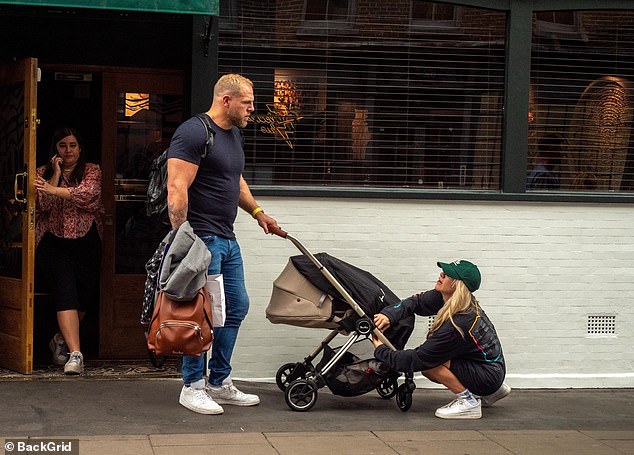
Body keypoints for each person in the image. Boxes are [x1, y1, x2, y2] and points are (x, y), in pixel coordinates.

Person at [167, 73, 280, 415]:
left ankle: (219, 381)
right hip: (202, 239)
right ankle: (193, 386)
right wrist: (184, 239)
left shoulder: (230, 136)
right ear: (226, 100)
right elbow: (176, 187)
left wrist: (258, 212)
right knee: (201, 313)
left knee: (236, 307)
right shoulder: (194, 132)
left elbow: (235, 178)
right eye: (247, 102)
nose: (253, 109)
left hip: (227, 239)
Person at [372, 260, 510, 419]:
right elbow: (414, 302)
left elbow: (419, 359)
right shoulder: (451, 299)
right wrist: (389, 315)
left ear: (457, 285)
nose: (441, 275)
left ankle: (468, 402)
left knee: (431, 366)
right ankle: (492, 391)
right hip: (491, 369)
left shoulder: (458, 323)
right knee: (436, 358)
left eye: (448, 274)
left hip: (488, 376)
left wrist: (381, 350)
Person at [34, 127, 104, 375]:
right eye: (62, 145)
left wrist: (52, 190)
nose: (68, 150)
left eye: (72, 145)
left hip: (86, 241)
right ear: (55, 149)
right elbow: (42, 205)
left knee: (84, 297)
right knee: (66, 294)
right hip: (54, 242)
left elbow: (89, 195)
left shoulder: (92, 170)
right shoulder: (43, 173)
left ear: (80, 148)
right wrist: (54, 177)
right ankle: (76, 355)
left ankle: (59, 339)